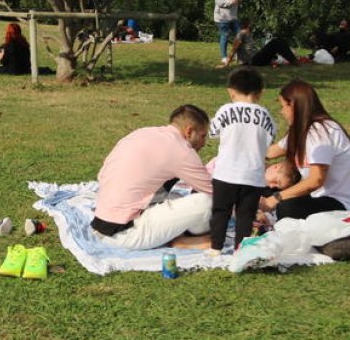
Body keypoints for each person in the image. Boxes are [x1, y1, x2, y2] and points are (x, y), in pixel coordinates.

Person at [91, 105, 214, 250]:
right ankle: (186, 241)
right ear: (189, 131)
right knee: (205, 203)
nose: (204, 143)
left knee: (176, 193)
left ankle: (179, 237)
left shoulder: (142, 133)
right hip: (125, 234)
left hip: (101, 223)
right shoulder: (181, 150)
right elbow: (215, 191)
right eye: (202, 136)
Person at [260, 80, 350, 219]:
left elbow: (316, 180)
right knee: (253, 191)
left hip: (342, 205)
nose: (282, 112)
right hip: (316, 198)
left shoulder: (320, 131)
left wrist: (275, 199)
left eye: (284, 106)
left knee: (287, 207)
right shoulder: (300, 131)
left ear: (294, 105)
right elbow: (270, 152)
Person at [207, 68, 276, 254]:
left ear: (231, 91)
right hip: (253, 176)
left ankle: (215, 247)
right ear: (260, 92)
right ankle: (241, 250)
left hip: (225, 173)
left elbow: (212, 132)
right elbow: (270, 140)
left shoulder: (225, 110)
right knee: (246, 216)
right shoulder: (266, 115)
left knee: (221, 212)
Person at [228, 20, 302, 67]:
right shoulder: (241, 34)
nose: (253, 25)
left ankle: (293, 60)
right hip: (252, 61)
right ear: (247, 25)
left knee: (279, 41)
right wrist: (226, 63)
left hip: (256, 59)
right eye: (251, 24)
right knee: (276, 42)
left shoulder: (249, 35)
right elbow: (234, 48)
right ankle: (294, 61)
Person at [214, 0, 243, 67]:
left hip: (233, 17)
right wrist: (230, 2)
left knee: (239, 35)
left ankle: (237, 56)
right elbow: (218, 1)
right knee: (225, 36)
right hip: (222, 17)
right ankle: (224, 57)